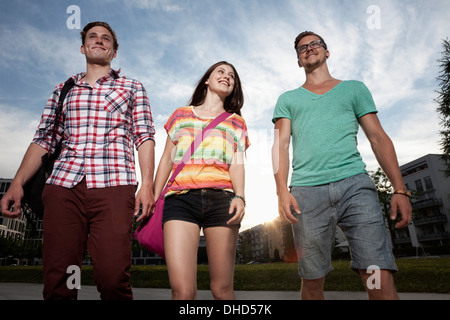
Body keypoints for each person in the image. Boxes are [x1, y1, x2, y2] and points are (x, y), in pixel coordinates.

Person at [0, 21, 155, 300]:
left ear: (114, 51)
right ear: (82, 47)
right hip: (63, 186)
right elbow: (43, 140)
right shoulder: (63, 89)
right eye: (92, 37)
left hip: (114, 185)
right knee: (60, 279)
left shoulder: (132, 88)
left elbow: (144, 136)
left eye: (106, 38)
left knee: (112, 277)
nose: (99, 40)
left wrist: (147, 185)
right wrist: (17, 183)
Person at [272, 31, 412, 300]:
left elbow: (378, 138)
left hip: (354, 187)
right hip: (306, 193)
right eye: (302, 47)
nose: (309, 48)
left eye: (315, 44)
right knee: (312, 281)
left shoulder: (354, 89)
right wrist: (281, 191)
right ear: (298, 60)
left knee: (376, 276)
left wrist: (400, 189)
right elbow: (280, 145)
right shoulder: (287, 99)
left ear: (327, 51)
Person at [154, 61, 249, 300]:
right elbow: (166, 160)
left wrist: (240, 196)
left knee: (222, 289)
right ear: (207, 79)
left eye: (232, 76)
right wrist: (154, 199)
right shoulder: (180, 115)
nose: (227, 76)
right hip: (180, 201)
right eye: (221, 71)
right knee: (183, 292)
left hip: (222, 202)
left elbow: (237, 163)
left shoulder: (237, 122)